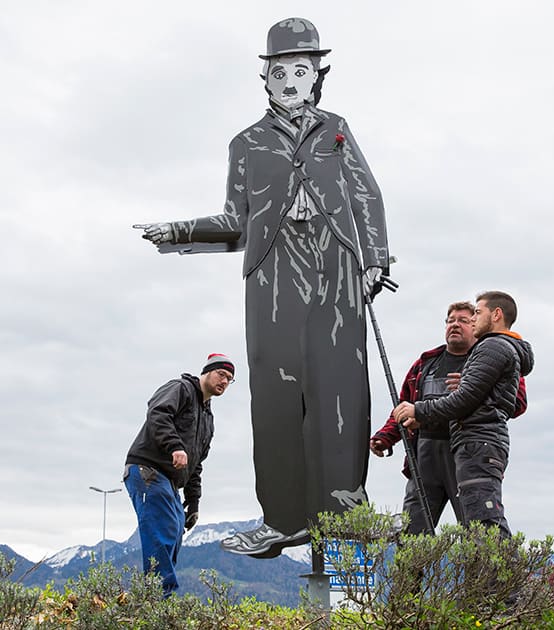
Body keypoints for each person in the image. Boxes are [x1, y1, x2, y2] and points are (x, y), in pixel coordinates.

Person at [136, 17, 390, 559]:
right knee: (276, 392)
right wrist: (180, 232)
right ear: (267, 79)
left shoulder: (337, 130)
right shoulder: (246, 143)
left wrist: (374, 257)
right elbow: (234, 221)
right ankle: (282, 518)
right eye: (281, 71)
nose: (292, 79)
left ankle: (346, 508)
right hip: (273, 270)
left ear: (316, 75)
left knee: (341, 382)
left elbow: (367, 195)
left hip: (335, 261)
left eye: (303, 69)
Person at [370, 301, 527, 534]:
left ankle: (481, 571)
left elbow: (517, 403)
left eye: (463, 320)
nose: (455, 325)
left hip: (465, 451)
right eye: (450, 320)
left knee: (476, 525)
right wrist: (385, 436)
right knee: (413, 529)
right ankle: (411, 571)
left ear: (474, 324)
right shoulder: (425, 363)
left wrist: (472, 388)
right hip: (425, 452)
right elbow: (404, 406)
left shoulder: (489, 358)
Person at [123, 353, 234, 595]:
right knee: (162, 532)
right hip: (148, 469)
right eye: (221, 374)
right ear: (207, 372)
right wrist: (175, 445)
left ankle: (156, 599)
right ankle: (158, 601)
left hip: (169, 480)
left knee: (174, 534)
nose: (225, 381)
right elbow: (158, 412)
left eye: (229, 379)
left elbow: (196, 464)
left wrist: (193, 503)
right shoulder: (181, 388)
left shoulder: (207, 418)